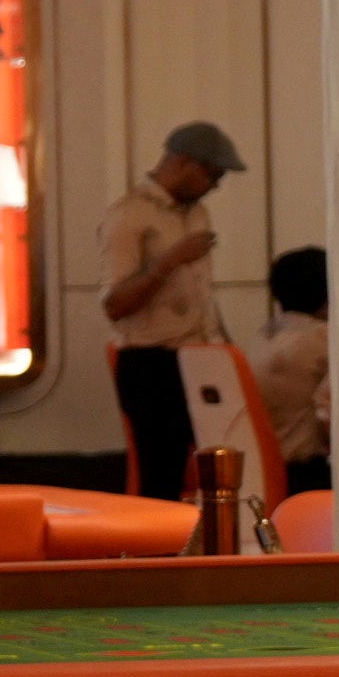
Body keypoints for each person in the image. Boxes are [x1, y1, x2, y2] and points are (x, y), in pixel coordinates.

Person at [99, 119, 242, 508]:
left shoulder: (197, 214)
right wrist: (168, 262)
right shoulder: (129, 216)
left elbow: (201, 294)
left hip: (200, 356)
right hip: (151, 363)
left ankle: (208, 550)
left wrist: (226, 348)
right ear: (182, 163)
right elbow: (115, 305)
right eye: (212, 174)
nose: (215, 186)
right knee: (161, 473)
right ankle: (156, 559)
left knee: (220, 469)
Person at [264, 244, 332, 493]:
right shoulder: (325, 338)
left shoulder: (265, 335)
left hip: (266, 467)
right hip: (306, 475)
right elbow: (332, 422)